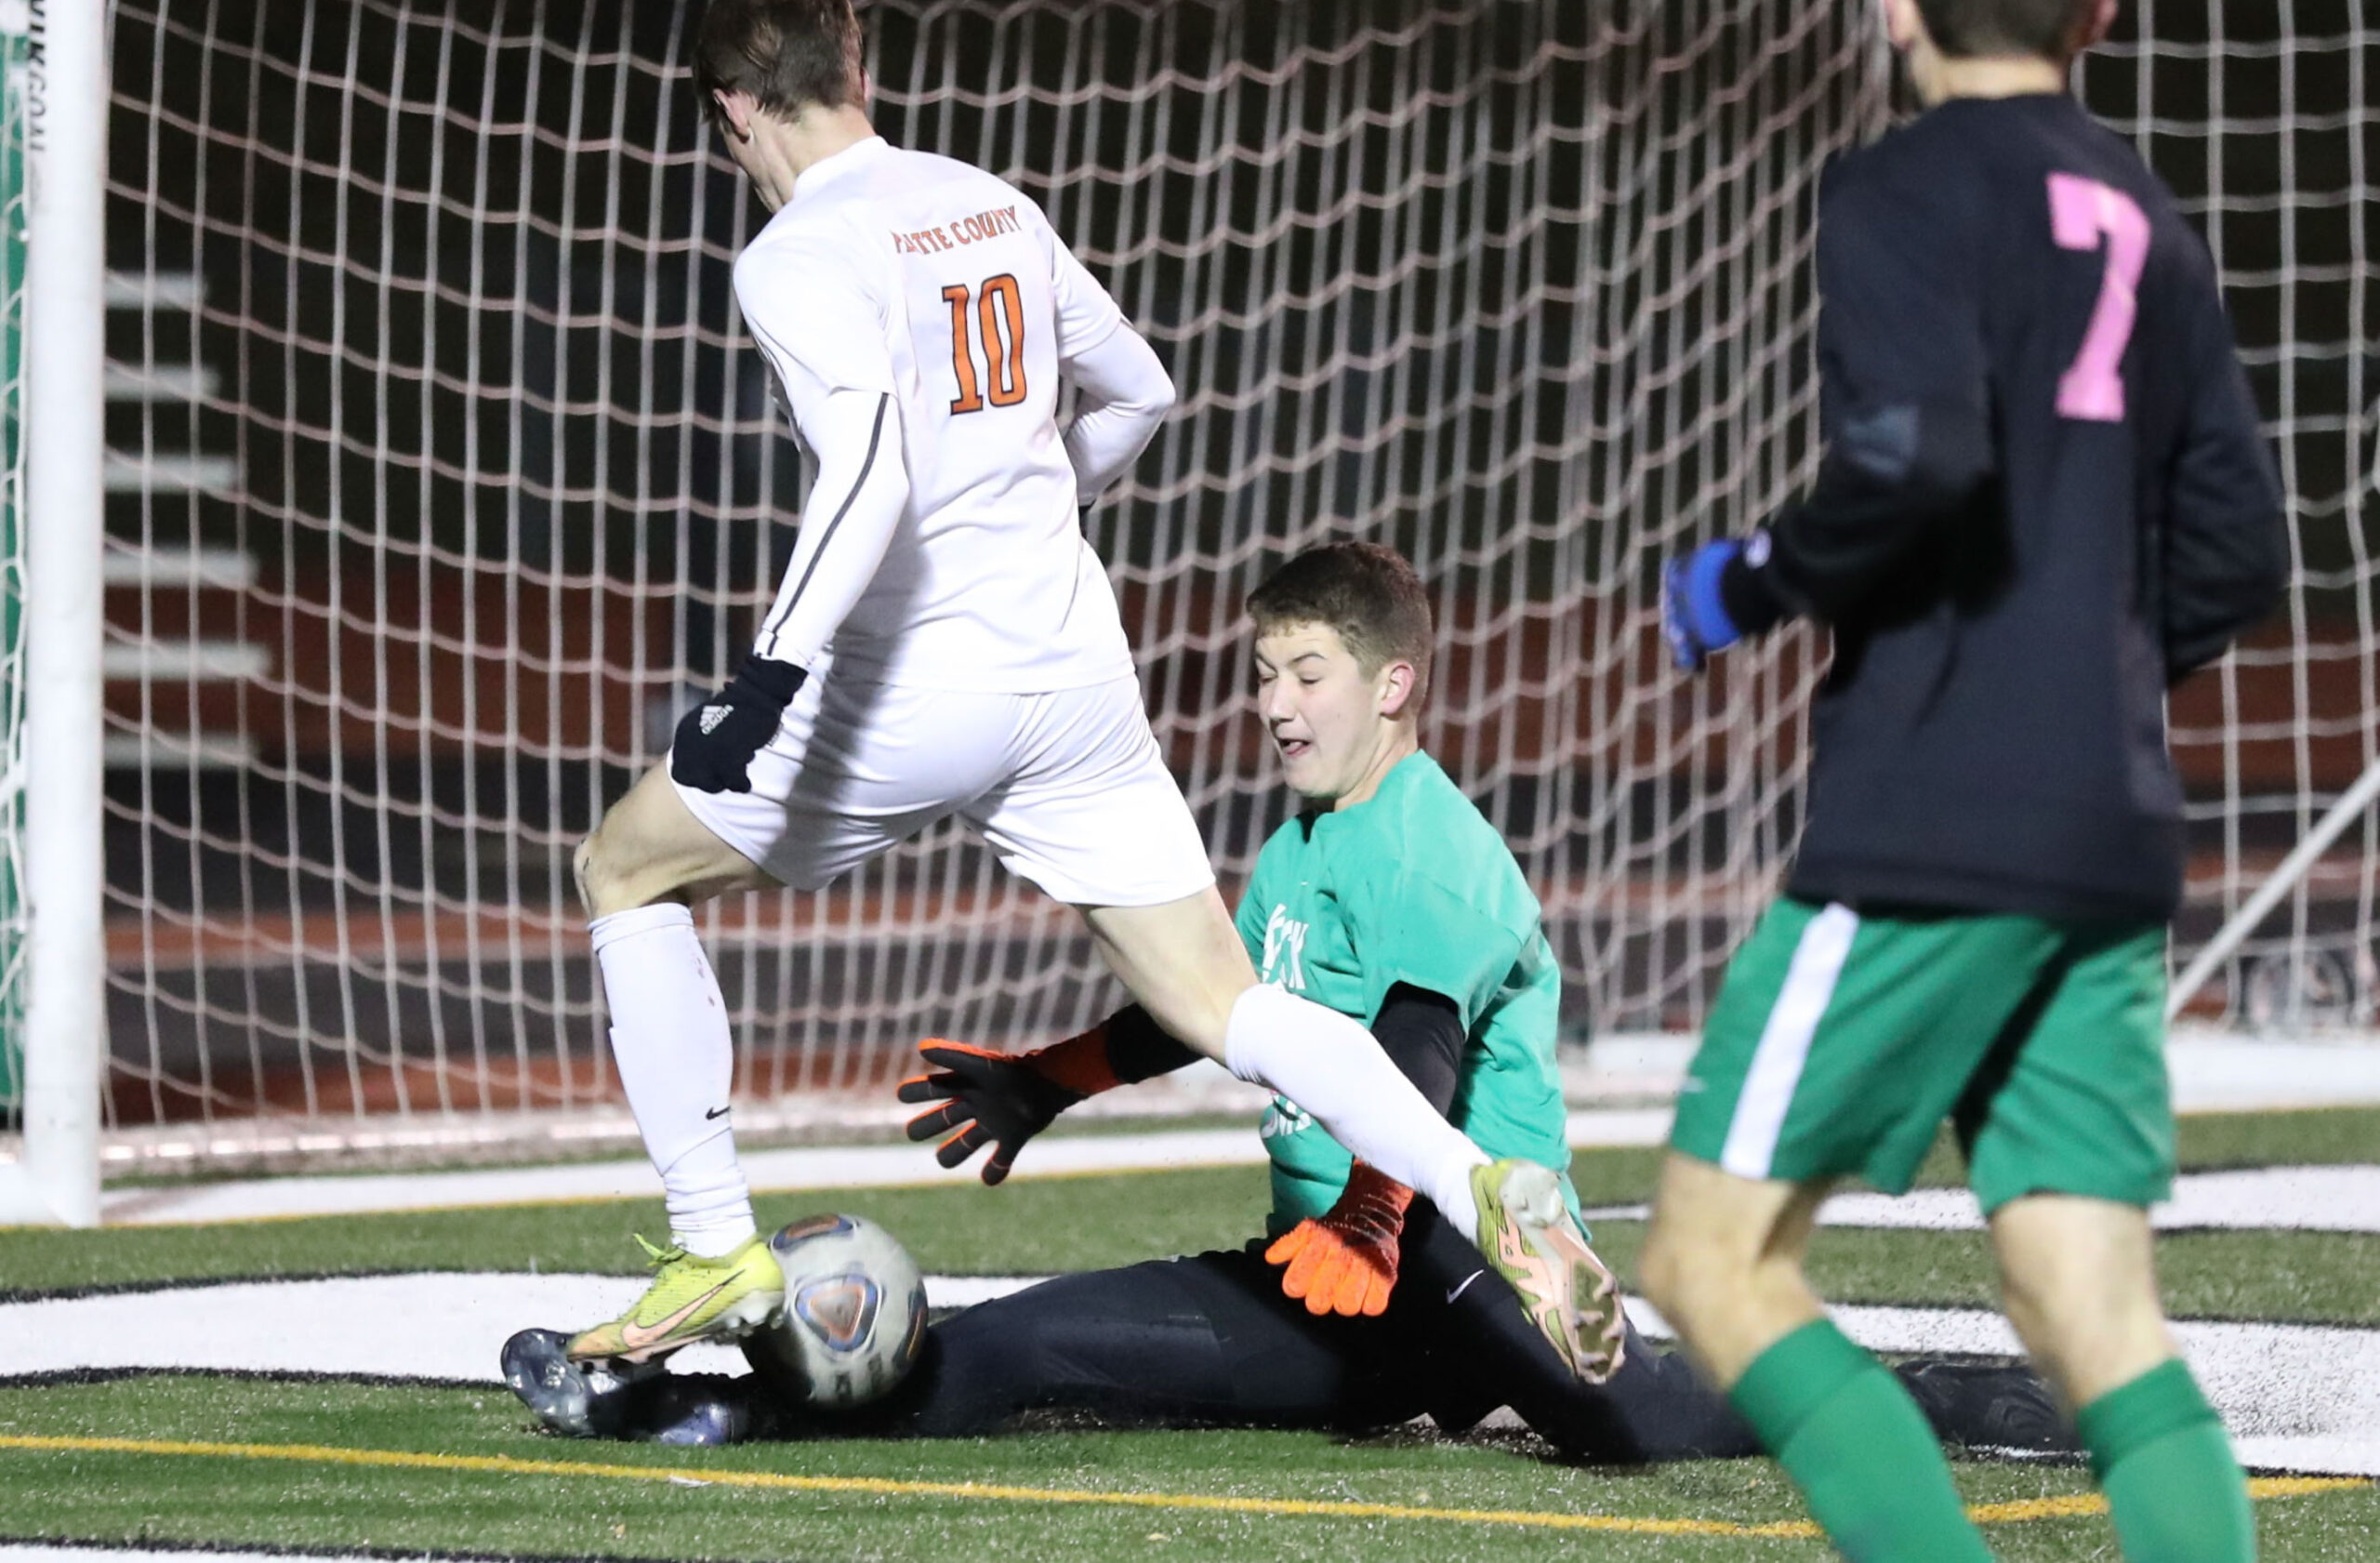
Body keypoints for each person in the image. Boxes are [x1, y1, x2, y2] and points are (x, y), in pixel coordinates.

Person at [565, 0, 1616, 1377]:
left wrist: (766, 677)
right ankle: (1480, 1186)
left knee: (625, 870)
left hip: (907, 692)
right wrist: (1040, 506)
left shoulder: (793, 251)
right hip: (1074, 679)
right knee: (1225, 1005)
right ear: (857, 73)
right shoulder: (990, 202)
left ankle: (712, 1248)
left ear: (735, 108)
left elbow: (869, 468)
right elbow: (1141, 390)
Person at [507, 543, 2064, 1463]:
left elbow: (1414, 1060)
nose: (1274, 703)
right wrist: (1046, 1081)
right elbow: (1217, 1013)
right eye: (1264, 673)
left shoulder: (1436, 851)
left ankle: (1992, 1392)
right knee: (1015, 1351)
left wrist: (1376, 1223)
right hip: (1321, 1282)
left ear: (1392, 685)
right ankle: (680, 1402)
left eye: (1307, 673)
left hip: (1459, 1264)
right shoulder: (1300, 842)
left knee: (1648, 1431)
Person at [1645, 0, 2286, 1563]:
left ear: (1895, 5)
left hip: (1937, 820)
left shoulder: (1900, 185)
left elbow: (1918, 456)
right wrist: (2083, 680)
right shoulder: (2147, 212)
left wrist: (1749, 581)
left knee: (1710, 1256)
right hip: (2110, 825)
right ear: (2094, 13)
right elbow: (2239, 551)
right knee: (2086, 1295)